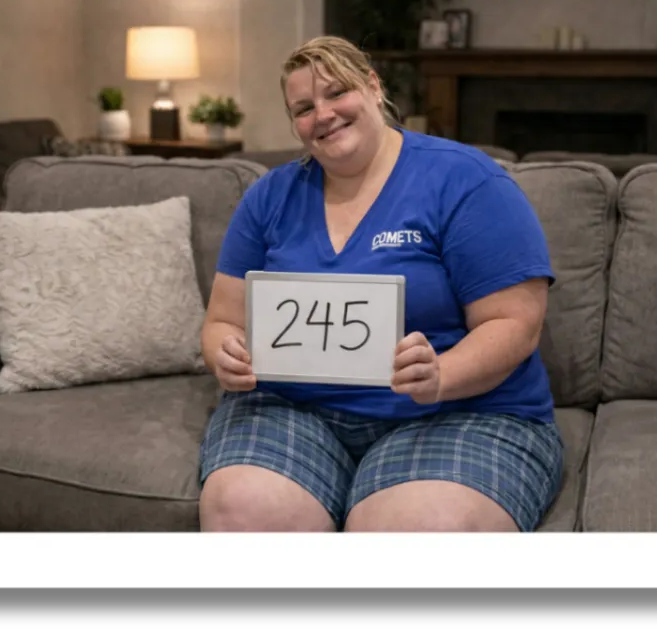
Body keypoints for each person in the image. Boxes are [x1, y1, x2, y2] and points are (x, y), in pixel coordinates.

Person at [197, 35, 564, 532]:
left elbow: (516, 325)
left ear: (373, 86)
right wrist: (225, 355)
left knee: (408, 526)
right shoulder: (270, 196)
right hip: (292, 410)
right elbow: (222, 320)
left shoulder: (466, 180)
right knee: (243, 508)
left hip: (460, 412)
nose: (323, 115)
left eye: (337, 93)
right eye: (303, 108)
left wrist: (442, 375)